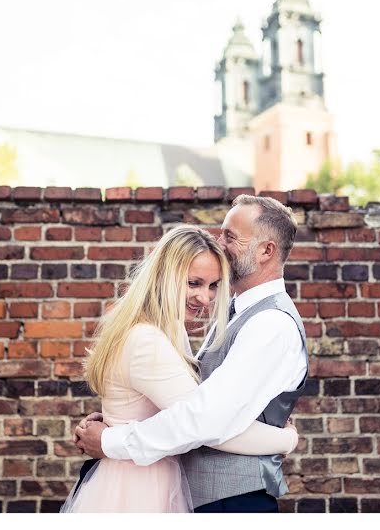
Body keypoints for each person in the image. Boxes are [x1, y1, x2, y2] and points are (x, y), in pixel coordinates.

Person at [75, 195, 309, 513]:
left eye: (229, 236)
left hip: (232, 498)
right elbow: (200, 415)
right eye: (194, 283)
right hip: (154, 488)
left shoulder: (269, 322)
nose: (220, 244)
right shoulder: (194, 324)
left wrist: (112, 437)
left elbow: (205, 420)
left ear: (266, 250)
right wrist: (285, 440)